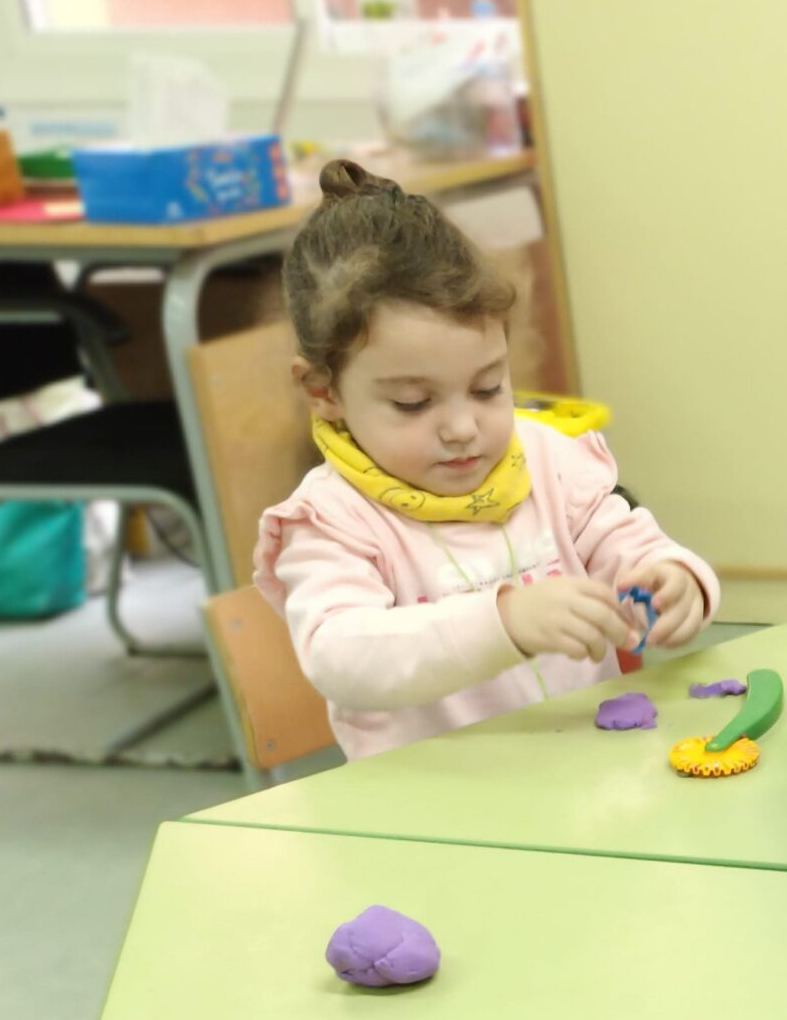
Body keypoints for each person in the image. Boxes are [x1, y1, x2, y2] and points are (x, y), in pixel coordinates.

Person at [257, 161, 719, 760]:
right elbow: (340, 656)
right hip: (438, 800)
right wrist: (504, 622)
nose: (462, 429)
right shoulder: (331, 521)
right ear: (323, 390)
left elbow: (625, 542)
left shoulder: (547, 460)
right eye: (413, 402)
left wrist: (675, 578)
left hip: (590, 772)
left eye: (486, 388)